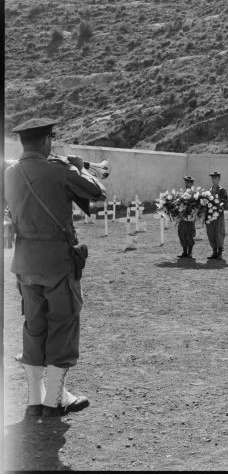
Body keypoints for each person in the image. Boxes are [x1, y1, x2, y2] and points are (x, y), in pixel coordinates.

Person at [4, 117, 107, 417]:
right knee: (62, 324)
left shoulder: (9, 172)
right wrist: (76, 167)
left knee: (33, 327)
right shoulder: (60, 170)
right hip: (57, 263)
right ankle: (55, 401)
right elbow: (97, 192)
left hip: (24, 261)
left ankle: (34, 401)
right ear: (48, 140)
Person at [206, 171, 228, 260]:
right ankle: (214, 252)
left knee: (219, 232)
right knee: (211, 232)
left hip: (218, 215)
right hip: (210, 215)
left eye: (216, 178)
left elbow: (224, 201)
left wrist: (219, 206)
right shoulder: (208, 191)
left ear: (219, 179)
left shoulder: (222, 190)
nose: (214, 179)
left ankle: (220, 253)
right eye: (213, 178)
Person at [177, 175, 196, 259]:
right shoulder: (183, 192)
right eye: (185, 182)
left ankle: (190, 252)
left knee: (189, 234)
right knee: (181, 233)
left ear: (191, 183)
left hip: (189, 217)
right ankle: (184, 252)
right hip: (182, 217)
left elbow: (195, 204)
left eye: (188, 182)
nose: (186, 183)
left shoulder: (194, 193)